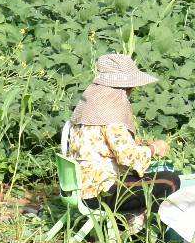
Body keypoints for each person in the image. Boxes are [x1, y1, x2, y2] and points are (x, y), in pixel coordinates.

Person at [65, 53, 179, 230]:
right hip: (101, 191)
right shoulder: (110, 115)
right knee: (169, 181)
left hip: (82, 187)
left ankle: (128, 224)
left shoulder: (89, 108)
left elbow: (103, 144)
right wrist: (153, 148)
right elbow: (128, 156)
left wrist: (140, 142)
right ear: (122, 88)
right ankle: (151, 235)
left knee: (142, 179)